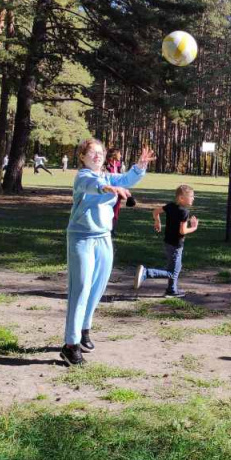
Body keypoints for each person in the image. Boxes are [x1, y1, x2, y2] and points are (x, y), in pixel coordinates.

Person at [61, 139, 154, 366]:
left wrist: (140, 166)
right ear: (82, 157)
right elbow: (92, 185)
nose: (97, 155)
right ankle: (70, 345)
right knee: (81, 289)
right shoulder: (82, 176)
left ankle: (84, 329)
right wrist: (108, 188)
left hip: (103, 237)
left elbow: (126, 180)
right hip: (81, 237)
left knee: (98, 287)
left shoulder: (107, 176)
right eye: (92, 152)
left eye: (100, 152)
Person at [134, 184, 199, 298]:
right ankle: (146, 272)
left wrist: (157, 221)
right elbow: (183, 231)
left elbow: (155, 212)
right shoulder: (184, 212)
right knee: (173, 272)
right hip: (176, 245)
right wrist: (194, 227)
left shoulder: (170, 206)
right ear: (181, 198)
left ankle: (171, 290)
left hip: (168, 243)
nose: (193, 198)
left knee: (175, 267)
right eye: (191, 196)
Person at [106, 150, 124, 236]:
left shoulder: (118, 164)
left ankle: (112, 229)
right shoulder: (106, 164)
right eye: (119, 154)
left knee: (116, 211)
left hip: (117, 192)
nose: (120, 155)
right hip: (107, 192)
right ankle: (106, 229)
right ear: (114, 155)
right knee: (106, 211)